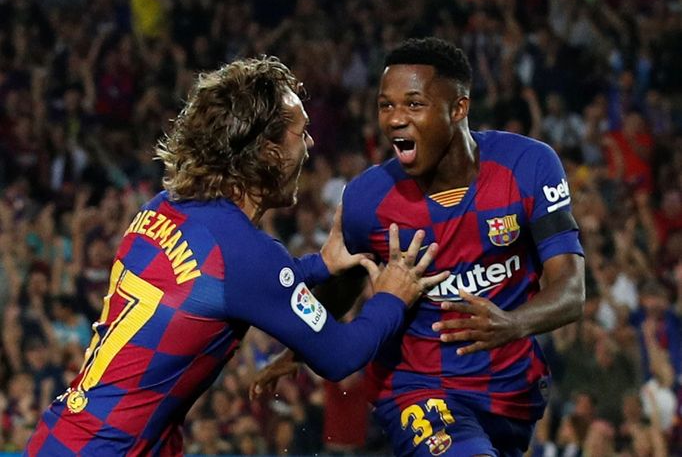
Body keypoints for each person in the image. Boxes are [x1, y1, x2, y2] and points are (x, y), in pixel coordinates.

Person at [24, 56, 448, 456]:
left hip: (63, 436)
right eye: (301, 132)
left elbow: (211, 288)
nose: (311, 143)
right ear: (268, 151)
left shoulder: (164, 206)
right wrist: (393, 296)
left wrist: (318, 265)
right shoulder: (244, 253)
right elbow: (339, 356)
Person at [253, 38, 586, 456]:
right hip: (417, 388)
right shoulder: (368, 199)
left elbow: (571, 290)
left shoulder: (529, 166)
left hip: (512, 393)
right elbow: (349, 281)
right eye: (385, 105)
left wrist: (512, 323)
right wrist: (301, 346)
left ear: (458, 108)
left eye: (413, 104)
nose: (394, 119)